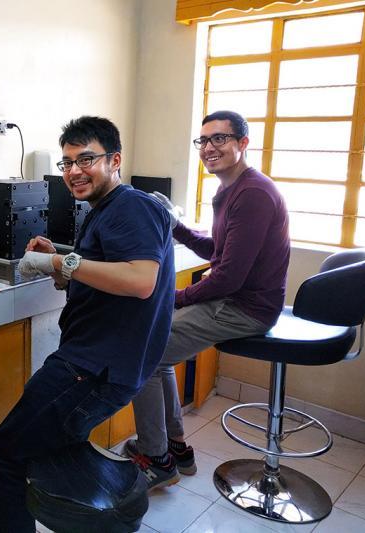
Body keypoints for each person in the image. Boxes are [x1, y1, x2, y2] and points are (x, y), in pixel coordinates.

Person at [0, 116, 175, 532]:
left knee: (5, 452)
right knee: (56, 445)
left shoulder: (132, 206)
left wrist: (58, 261)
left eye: (85, 159)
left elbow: (141, 281)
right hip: (100, 363)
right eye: (66, 163)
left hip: (91, 370)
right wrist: (62, 260)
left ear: (115, 160)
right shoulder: (103, 211)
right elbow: (104, 272)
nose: (73, 171)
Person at [124, 110, 290, 490]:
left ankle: (156, 457)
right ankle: (175, 447)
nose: (209, 148)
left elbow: (228, 277)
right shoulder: (232, 188)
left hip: (245, 308)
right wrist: (173, 224)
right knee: (159, 350)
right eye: (204, 140)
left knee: (143, 354)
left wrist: (173, 298)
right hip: (235, 299)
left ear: (242, 143)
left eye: (220, 139)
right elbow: (218, 249)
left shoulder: (253, 195)